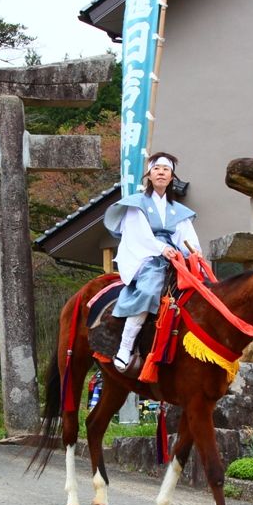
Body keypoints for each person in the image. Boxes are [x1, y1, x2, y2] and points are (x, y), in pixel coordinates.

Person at [103, 152, 200, 372]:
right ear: (149, 174)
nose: (161, 173)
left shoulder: (178, 210)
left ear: (172, 176)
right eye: (157, 169)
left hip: (173, 256)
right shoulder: (137, 204)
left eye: (166, 169)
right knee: (149, 289)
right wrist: (162, 249)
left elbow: (187, 237)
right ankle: (125, 347)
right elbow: (140, 235)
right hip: (147, 256)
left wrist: (194, 254)